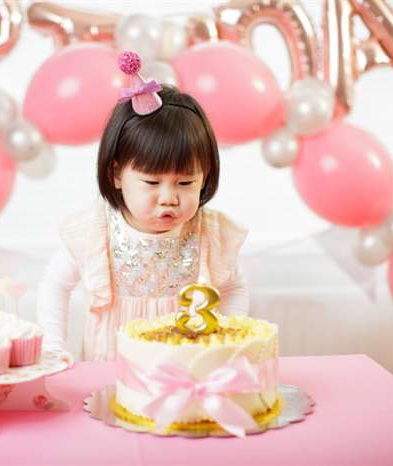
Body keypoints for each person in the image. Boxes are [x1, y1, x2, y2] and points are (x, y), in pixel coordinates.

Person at [36, 51, 249, 362]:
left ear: (205, 177)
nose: (168, 198)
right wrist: (53, 347)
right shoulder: (96, 231)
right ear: (117, 174)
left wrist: (228, 340)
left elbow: (234, 288)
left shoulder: (209, 234)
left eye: (185, 183)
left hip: (185, 372)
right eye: (152, 183)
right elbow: (55, 284)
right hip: (110, 371)